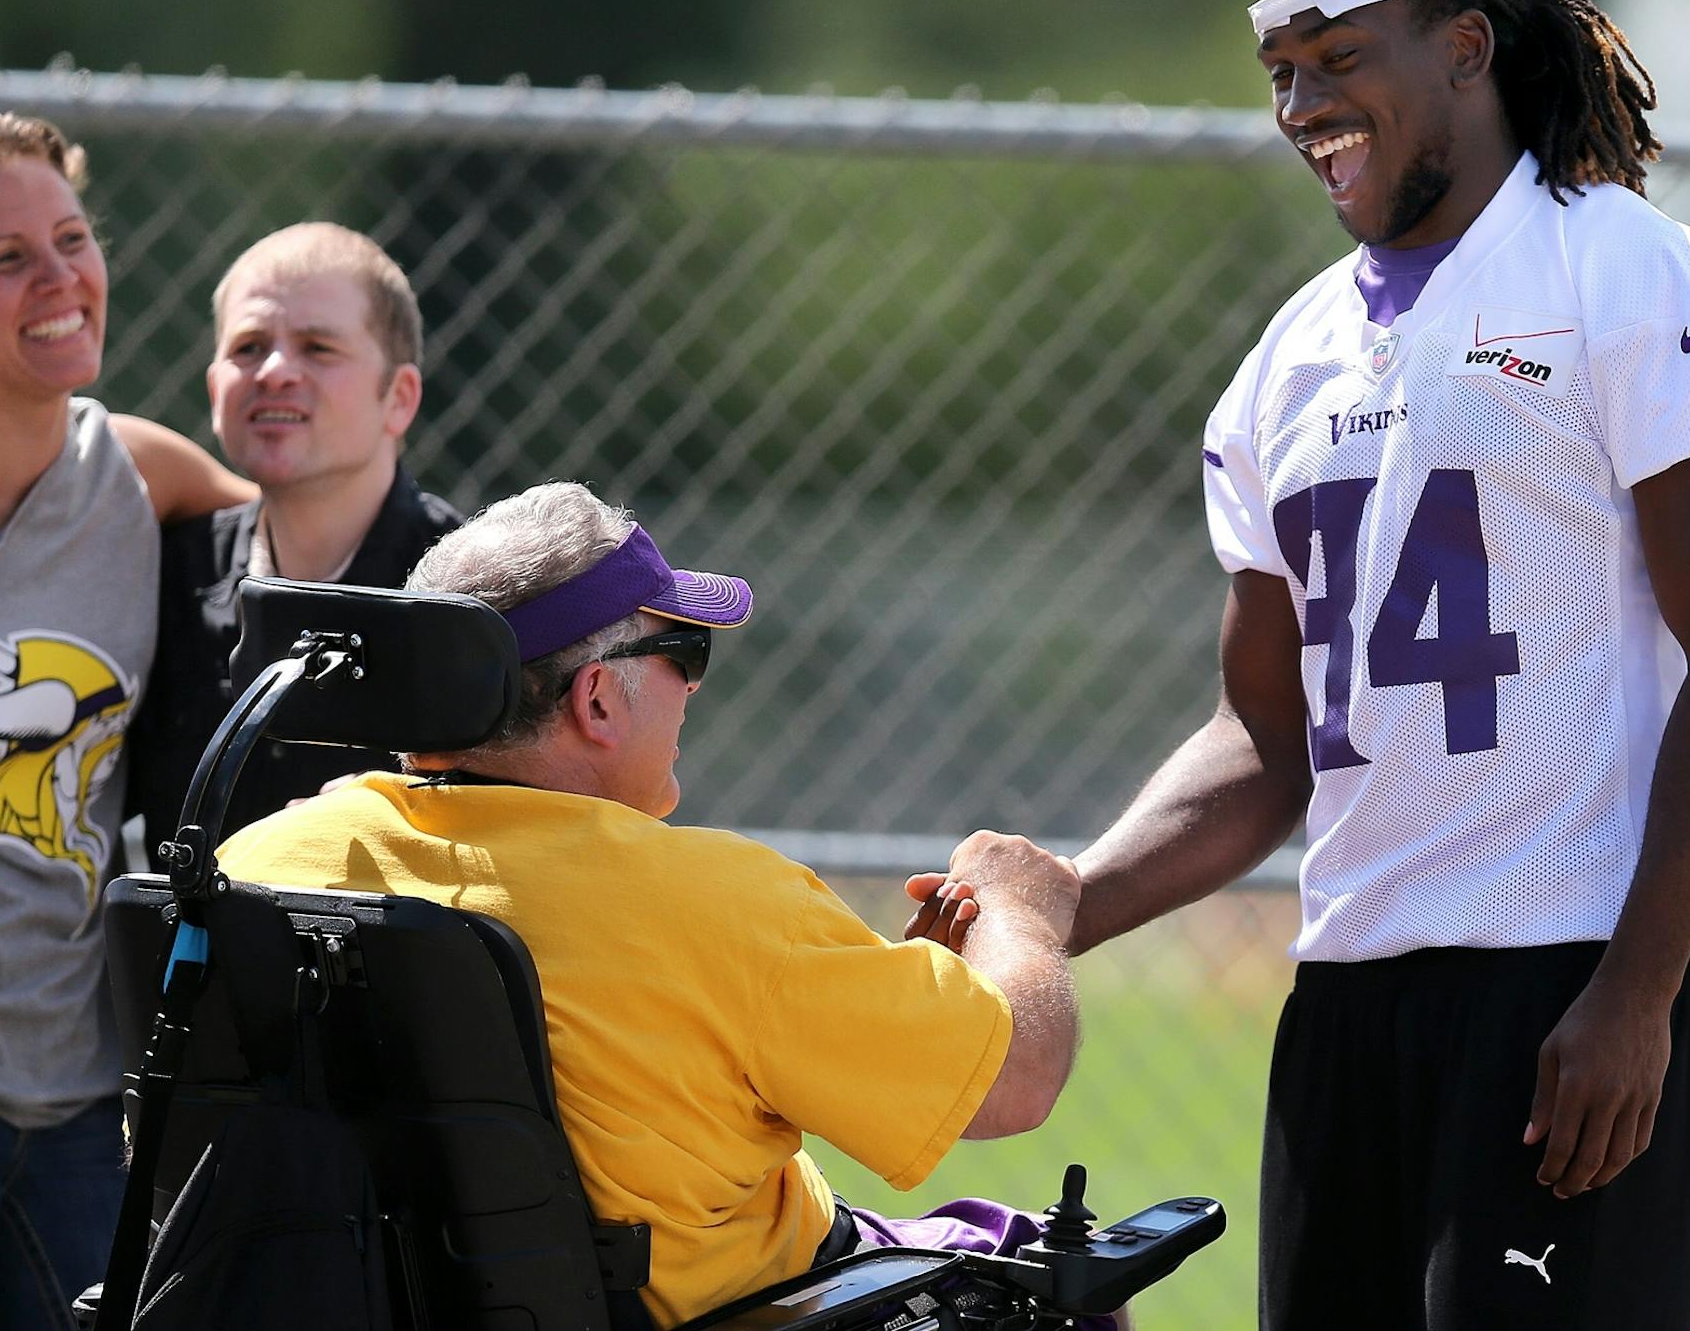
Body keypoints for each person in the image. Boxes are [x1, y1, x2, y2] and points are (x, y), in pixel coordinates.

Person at [915, 0, 1690, 1330]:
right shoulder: (1291, 355)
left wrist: (1639, 988)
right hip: (1350, 990)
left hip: (1569, 980)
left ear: (1467, 45)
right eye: (1282, 72)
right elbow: (1267, 734)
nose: (1302, 103)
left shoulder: (1637, 278)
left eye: (1340, 59)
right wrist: (1071, 895)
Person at [216, 482, 1089, 1329]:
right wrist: (1023, 910)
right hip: (746, 1308)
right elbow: (1016, 1082)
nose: (695, 686)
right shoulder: (728, 910)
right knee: (1070, 1283)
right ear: (597, 698)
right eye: (685, 654)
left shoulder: (252, 866)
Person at [0, 111, 253, 1331]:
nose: (59, 279)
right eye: (5, 259)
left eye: (72, 240)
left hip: (88, 1089)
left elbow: (317, 548)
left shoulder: (142, 476)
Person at [125, 222, 461, 837]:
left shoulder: (470, 604)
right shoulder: (166, 575)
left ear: (400, 398)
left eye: (318, 347)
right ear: (214, 388)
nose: (275, 371)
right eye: (247, 347)